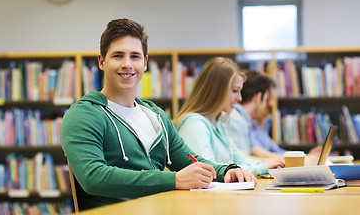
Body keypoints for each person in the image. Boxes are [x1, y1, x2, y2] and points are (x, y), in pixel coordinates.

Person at [60, 18, 256, 211]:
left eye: (135, 56)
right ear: (102, 61)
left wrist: (228, 171)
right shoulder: (84, 114)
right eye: (118, 56)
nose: (127, 64)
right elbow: (93, 178)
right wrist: (175, 179)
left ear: (145, 63)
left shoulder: (156, 115)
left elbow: (189, 160)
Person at [173, 57, 284, 176]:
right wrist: (261, 166)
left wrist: (264, 164)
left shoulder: (219, 124)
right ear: (217, 91)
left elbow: (238, 159)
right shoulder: (194, 124)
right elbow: (210, 170)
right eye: (235, 91)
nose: (240, 98)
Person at [223, 71, 321, 165]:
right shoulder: (236, 120)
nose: (270, 104)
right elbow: (242, 160)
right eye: (267, 99)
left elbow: (262, 153)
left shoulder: (245, 121)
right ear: (258, 98)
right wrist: (292, 162)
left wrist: (298, 160)